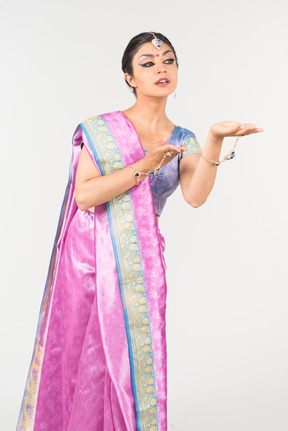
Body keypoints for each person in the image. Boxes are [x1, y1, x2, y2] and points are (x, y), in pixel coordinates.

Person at [16, 32, 263, 431]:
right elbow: (85, 196)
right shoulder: (101, 129)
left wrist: (215, 139)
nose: (160, 67)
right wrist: (144, 165)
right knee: (86, 360)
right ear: (129, 77)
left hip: (139, 270)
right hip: (88, 265)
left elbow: (196, 195)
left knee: (131, 365)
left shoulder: (184, 140)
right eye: (147, 62)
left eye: (168, 60)